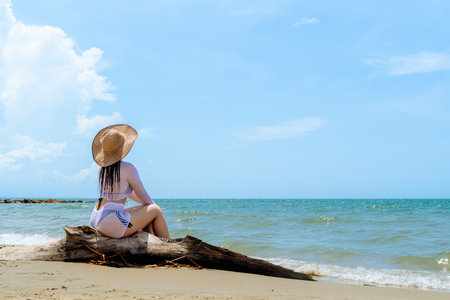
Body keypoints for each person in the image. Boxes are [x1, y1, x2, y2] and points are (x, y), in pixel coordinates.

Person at [89, 124, 170, 239]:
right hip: (110, 223)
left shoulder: (102, 169)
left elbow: (127, 193)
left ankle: (152, 242)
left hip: (97, 218)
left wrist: (146, 207)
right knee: (155, 210)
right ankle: (168, 246)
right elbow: (142, 194)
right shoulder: (128, 168)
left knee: (146, 211)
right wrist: (152, 205)